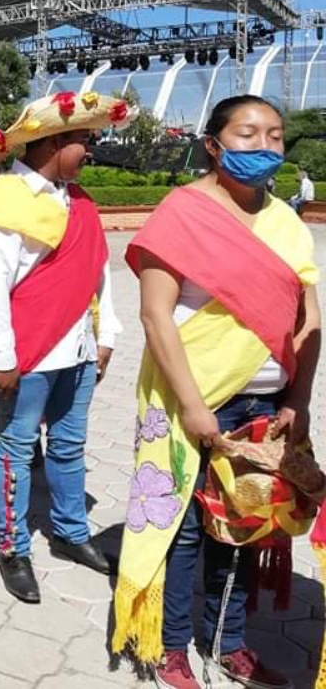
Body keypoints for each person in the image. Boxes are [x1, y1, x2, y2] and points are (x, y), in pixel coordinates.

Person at [113, 96, 319, 689]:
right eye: (248, 133)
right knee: (179, 529)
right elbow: (155, 315)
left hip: (267, 402)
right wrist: (193, 406)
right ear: (213, 144)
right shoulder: (181, 213)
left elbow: (309, 318)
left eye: (274, 135)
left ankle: (229, 643)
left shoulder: (285, 221)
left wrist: (299, 398)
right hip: (193, 401)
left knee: (245, 524)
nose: (264, 146)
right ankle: (170, 644)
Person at [0, 92, 131, 604]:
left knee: (69, 446)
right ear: (51, 142)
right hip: (28, 354)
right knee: (17, 450)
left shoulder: (80, 200)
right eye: (82, 140)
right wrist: (2, 358)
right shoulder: (5, 198)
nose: (89, 150)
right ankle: (12, 546)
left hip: (78, 350)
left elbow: (98, 272)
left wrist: (106, 334)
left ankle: (70, 532)